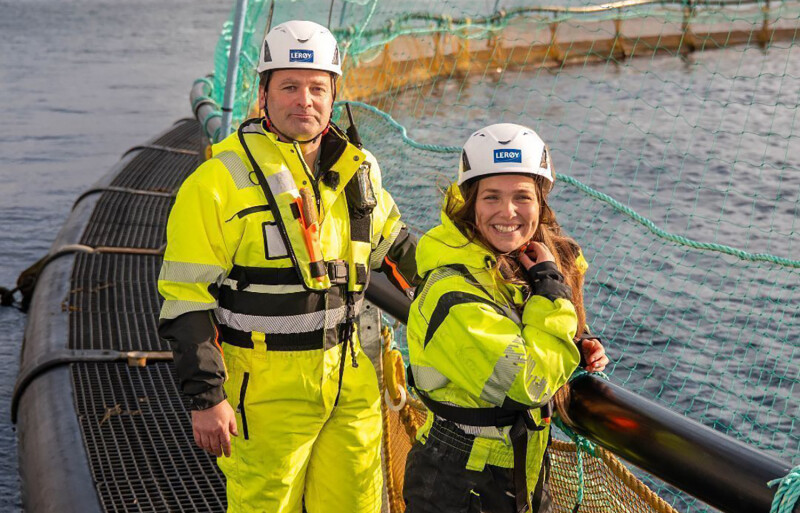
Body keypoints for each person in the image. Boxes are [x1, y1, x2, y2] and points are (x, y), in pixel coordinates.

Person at [157, 20, 418, 513]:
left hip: (355, 387)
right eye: (290, 87)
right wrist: (206, 398)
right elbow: (185, 299)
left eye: (318, 88)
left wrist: (502, 295)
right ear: (264, 94)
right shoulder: (215, 182)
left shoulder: (358, 172)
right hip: (265, 393)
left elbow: (404, 255)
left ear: (334, 94)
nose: (305, 100)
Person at [403, 123, 608, 513]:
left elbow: (521, 331)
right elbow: (528, 381)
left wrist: (575, 346)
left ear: (541, 204)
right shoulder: (453, 291)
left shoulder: (504, 268)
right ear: (470, 202)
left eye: (522, 197)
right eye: (491, 197)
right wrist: (551, 291)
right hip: (458, 483)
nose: (507, 212)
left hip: (518, 470)